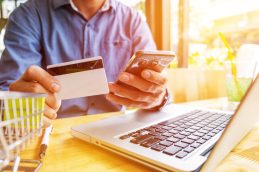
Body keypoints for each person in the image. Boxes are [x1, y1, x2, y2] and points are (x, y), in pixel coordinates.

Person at [0, 0, 168, 126]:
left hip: (114, 129)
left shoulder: (133, 20)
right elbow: (9, 92)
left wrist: (157, 96)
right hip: (50, 131)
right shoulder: (29, 15)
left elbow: (160, 88)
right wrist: (15, 105)